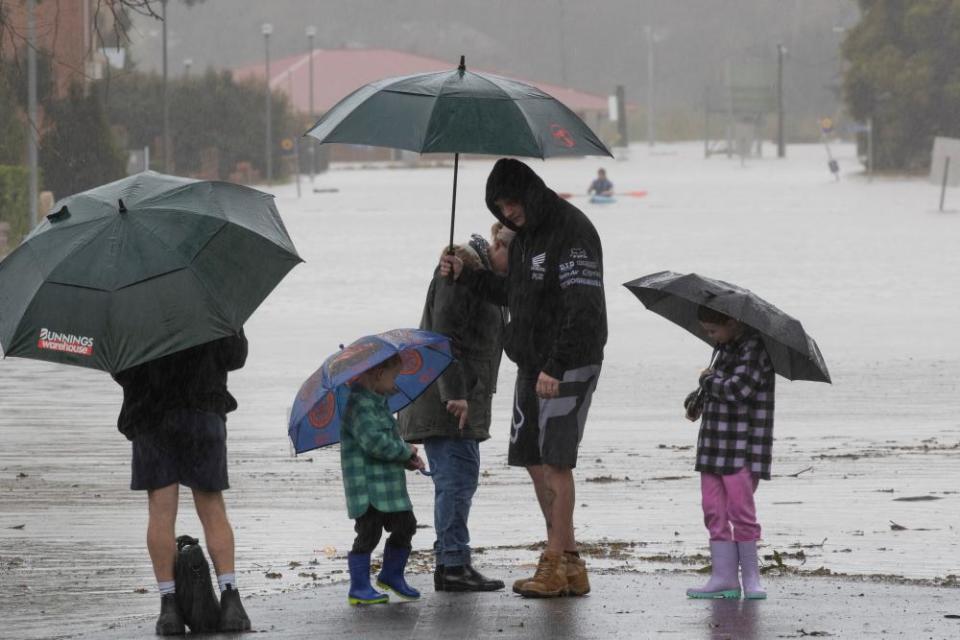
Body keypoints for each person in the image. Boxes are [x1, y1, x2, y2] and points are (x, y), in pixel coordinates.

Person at [440, 158, 607, 598]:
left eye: (512, 204)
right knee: (534, 461)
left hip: (568, 363)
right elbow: (512, 293)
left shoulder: (573, 231)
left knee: (556, 461)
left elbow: (583, 307)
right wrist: (469, 276)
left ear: (530, 194)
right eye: (500, 207)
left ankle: (553, 564)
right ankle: (569, 561)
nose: (508, 214)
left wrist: (557, 364)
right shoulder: (522, 240)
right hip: (530, 363)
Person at [397, 222, 514, 592]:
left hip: (464, 397)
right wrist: (454, 393)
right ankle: (451, 565)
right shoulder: (456, 273)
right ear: (498, 244)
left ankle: (452, 559)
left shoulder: (478, 275)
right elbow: (442, 336)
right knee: (457, 481)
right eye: (518, 256)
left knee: (459, 480)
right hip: (448, 401)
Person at [112, 332, 251, 635]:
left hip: (150, 415)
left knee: (161, 513)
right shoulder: (210, 296)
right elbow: (235, 356)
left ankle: (169, 607)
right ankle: (231, 602)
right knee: (213, 510)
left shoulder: (131, 306)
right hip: (204, 410)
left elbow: (120, 369)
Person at [684, 306, 774, 600]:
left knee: (741, 512)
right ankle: (723, 577)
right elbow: (714, 389)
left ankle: (751, 578)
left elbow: (739, 390)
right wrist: (696, 398)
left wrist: (706, 379)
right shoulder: (722, 350)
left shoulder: (754, 349)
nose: (711, 337)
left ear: (733, 323)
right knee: (713, 511)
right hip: (713, 447)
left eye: (713, 331)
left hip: (741, 449)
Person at [341, 354, 427, 606]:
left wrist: (406, 459)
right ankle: (358, 587)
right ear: (377, 374)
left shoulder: (378, 403)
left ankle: (391, 574)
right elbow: (374, 443)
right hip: (368, 489)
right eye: (394, 377)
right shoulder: (359, 405)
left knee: (406, 524)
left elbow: (388, 442)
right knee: (368, 533)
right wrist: (405, 451)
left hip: (389, 488)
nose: (396, 384)